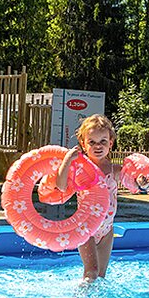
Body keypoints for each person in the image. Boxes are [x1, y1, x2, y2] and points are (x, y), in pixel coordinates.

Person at [54, 114, 120, 282]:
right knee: (91, 272)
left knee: (101, 276)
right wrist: (67, 160)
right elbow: (61, 186)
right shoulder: (81, 169)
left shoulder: (115, 170)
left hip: (107, 229)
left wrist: (142, 179)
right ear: (83, 144)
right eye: (92, 142)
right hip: (86, 228)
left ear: (110, 143)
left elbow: (136, 182)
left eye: (103, 141)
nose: (98, 146)